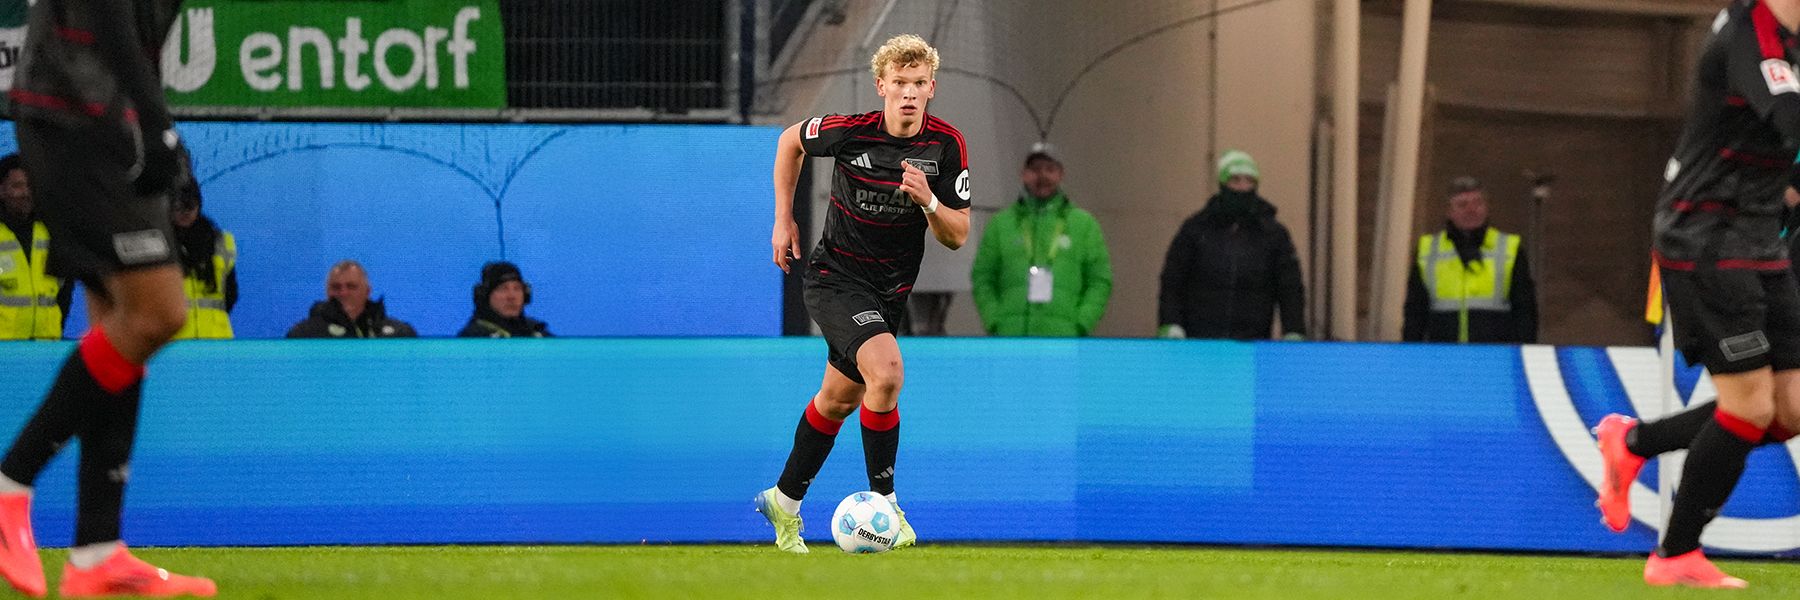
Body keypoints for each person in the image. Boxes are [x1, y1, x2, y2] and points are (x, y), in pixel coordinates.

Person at [0, 0, 218, 595]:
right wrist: (157, 122)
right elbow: (109, 17)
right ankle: (10, 483)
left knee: (120, 325)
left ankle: (97, 549)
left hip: (95, 114)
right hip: (81, 114)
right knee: (159, 312)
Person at [1590, 0, 1800, 588]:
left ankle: (1633, 442)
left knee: (1790, 410)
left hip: (1759, 238)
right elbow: (1789, 118)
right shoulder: (1748, 33)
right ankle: (1675, 556)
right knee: (1751, 407)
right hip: (1705, 237)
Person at [756, 33, 971, 553]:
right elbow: (790, 141)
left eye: (919, 84)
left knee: (837, 400)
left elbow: (957, 234)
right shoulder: (851, 133)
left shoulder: (946, 146)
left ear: (932, 88)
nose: (909, 93)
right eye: (899, 83)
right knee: (888, 372)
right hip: (835, 279)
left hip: (888, 293)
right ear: (881, 86)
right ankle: (887, 505)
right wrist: (783, 220)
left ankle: (783, 501)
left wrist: (928, 203)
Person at [1156, 150, 1305, 340]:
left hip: (1252, 344)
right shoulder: (1196, 229)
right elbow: (1173, 280)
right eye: (1235, 180)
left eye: (1249, 180)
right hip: (1199, 343)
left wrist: (1294, 329)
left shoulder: (1274, 234)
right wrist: (1170, 322)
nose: (1243, 187)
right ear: (1222, 183)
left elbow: (1290, 288)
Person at [970, 146, 1112, 336]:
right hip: (1011, 338)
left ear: (1061, 174)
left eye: (1050, 169)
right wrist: (995, 321)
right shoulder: (1000, 224)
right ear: (1023, 174)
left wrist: (1081, 323)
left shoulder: (1084, 225)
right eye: (1035, 169)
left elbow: (1099, 280)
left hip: (1064, 339)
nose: (1042, 176)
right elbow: (982, 277)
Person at [1401, 177, 1538, 343]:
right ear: (1449, 212)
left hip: (1495, 353)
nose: (1472, 210)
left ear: (1486, 208)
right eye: (1462, 205)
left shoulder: (1509, 247)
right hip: (1443, 351)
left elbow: (1525, 309)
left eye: (1478, 203)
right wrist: (1411, 351)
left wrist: (1524, 350)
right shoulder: (1428, 249)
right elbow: (1415, 309)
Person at [0, 153, 70, 340]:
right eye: (17, 186)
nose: (26, 192)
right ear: (2, 191)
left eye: (30, 185)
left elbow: (65, 290)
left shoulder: (51, 232)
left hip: (45, 346)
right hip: (5, 349)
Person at [167, 178, 235, 340]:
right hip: (173, 344)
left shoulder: (221, 242)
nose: (185, 213)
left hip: (216, 340)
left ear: (199, 205)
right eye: (179, 207)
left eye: (190, 206)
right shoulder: (159, 243)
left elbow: (231, 293)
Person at [287, 260, 417, 339]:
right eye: (336, 287)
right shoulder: (305, 334)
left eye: (351, 286)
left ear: (367, 291)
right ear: (327, 292)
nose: (343, 292)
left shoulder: (400, 333)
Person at [457, 261, 550, 338]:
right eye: (502, 289)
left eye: (517, 288)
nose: (512, 296)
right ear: (485, 296)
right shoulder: (473, 338)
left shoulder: (537, 333)